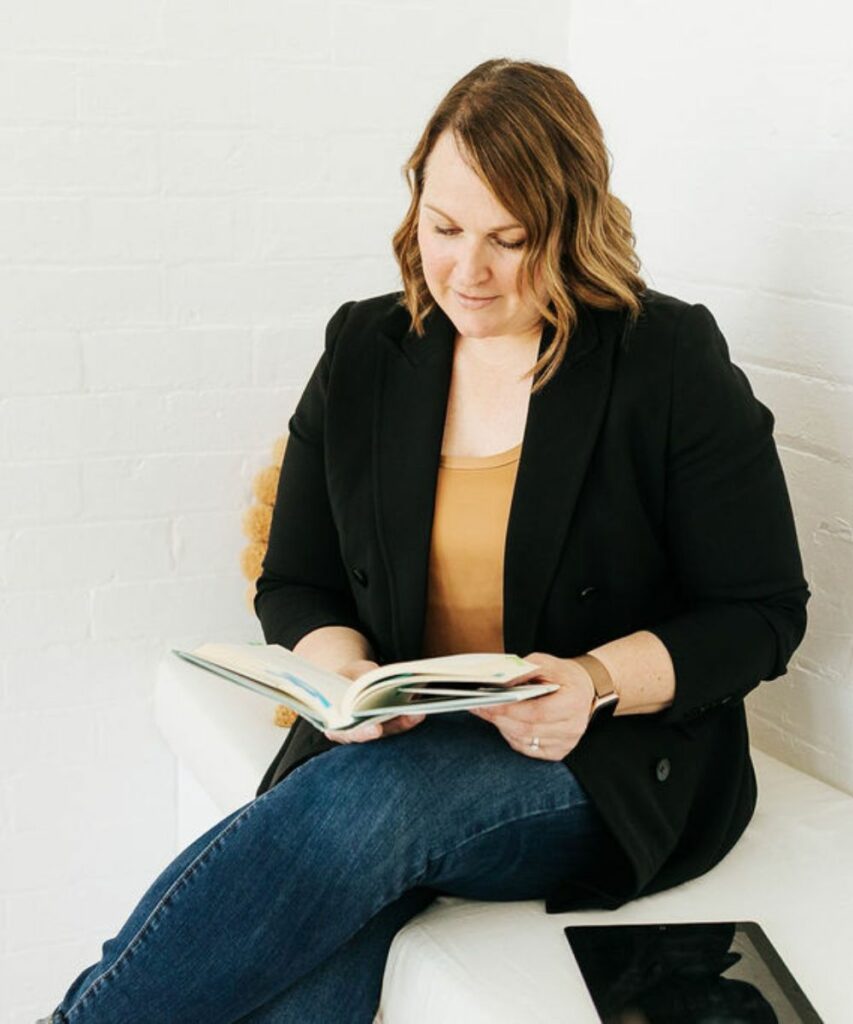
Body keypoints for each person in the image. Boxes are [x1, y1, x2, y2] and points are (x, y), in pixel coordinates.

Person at [42, 58, 809, 1024]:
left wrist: (593, 681)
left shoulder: (664, 358)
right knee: (313, 946)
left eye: (508, 238)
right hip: (393, 744)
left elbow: (761, 614)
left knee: (369, 806)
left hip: (595, 759)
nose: (466, 270)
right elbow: (296, 580)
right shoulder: (366, 349)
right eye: (444, 229)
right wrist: (343, 681)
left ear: (569, 225)